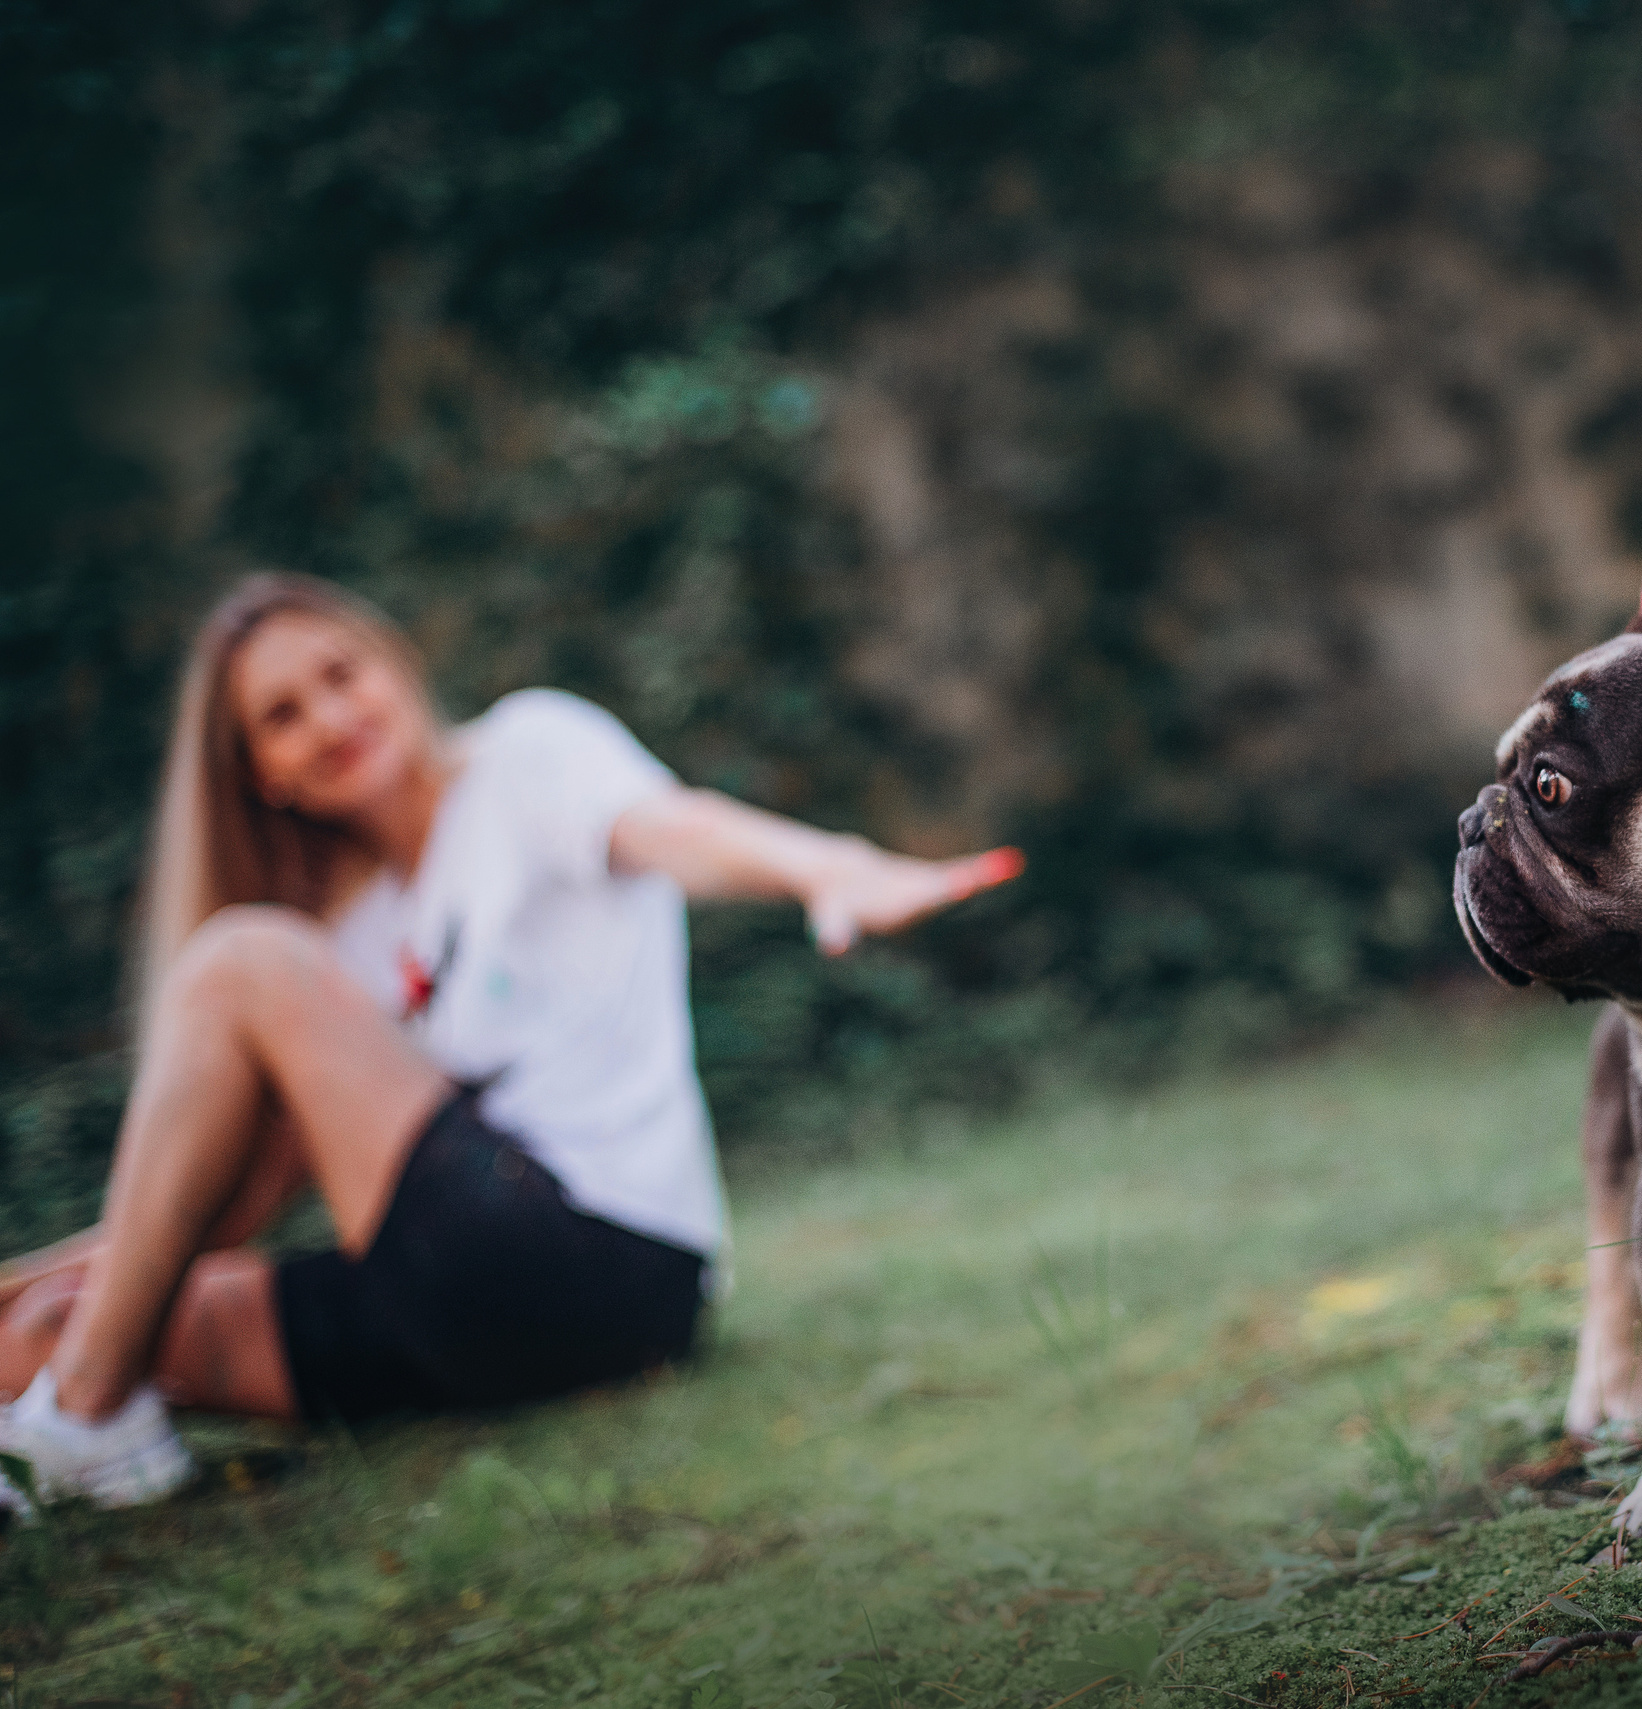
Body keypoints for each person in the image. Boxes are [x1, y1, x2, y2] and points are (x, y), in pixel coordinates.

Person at [0, 574, 1021, 1510]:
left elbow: (675, 827)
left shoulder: (527, 758)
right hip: (442, 1300)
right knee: (47, 1325)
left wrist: (827, 866)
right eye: (282, 715)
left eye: (340, 674)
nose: (330, 720)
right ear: (261, 775)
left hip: (602, 1262)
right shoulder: (343, 936)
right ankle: (91, 1425)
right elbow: (215, 1205)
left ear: (395, 662)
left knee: (240, 956)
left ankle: (85, 1419)